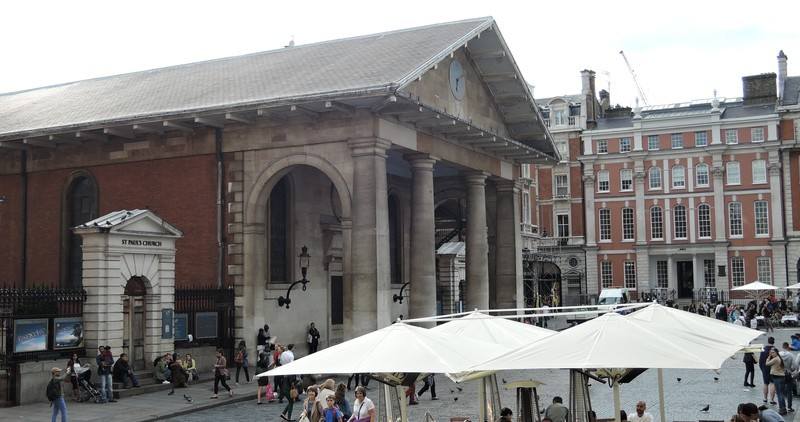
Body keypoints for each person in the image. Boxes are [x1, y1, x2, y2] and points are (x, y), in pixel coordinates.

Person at [766, 347, 788, 415]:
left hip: (778, 378)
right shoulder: (778, 358)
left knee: (779, 394)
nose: (772, 354)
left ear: (776, 352)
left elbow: (767, 364)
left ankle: (782, 409)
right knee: (780, 393)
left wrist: (768, 357)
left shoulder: (775, 359)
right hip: (780, 377)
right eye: (771, 352)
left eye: (773, 352)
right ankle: (783, 408)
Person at [780, 343, 796, 412]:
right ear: (788, 347)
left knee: (781, 392)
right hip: (788, 373)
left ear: (782, 347)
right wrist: (791, 370)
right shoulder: (791, 355)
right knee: (789, 392)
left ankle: (782, 407)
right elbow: (794, 366)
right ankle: (789, 407)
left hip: (780, 374)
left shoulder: (778, 354)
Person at [761, 337, 777, 405]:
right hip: (773, 368)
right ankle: (772, 400)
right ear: (774, 342)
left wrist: (762, 368)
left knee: (765, 383)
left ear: (768, 341)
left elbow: (760, 361)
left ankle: (765, 398)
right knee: (772, 383)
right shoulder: (775, 350)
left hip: (765, 368)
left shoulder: (763, 349)